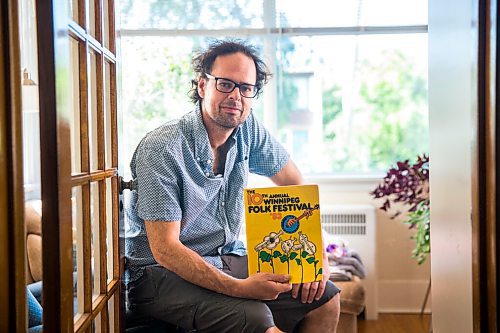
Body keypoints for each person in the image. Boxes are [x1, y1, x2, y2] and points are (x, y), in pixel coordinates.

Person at [125, 39, 340, 333]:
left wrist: (317, 259)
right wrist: (243, 288)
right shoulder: (162, 148)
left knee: (325, 296)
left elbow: (293, 182)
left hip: (224, 256)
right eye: (225, 84)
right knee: (256, 319)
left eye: (246, 88)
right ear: (202, 86)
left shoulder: (247, 130)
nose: (236, 96)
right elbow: (166, 250)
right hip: (158, 276)